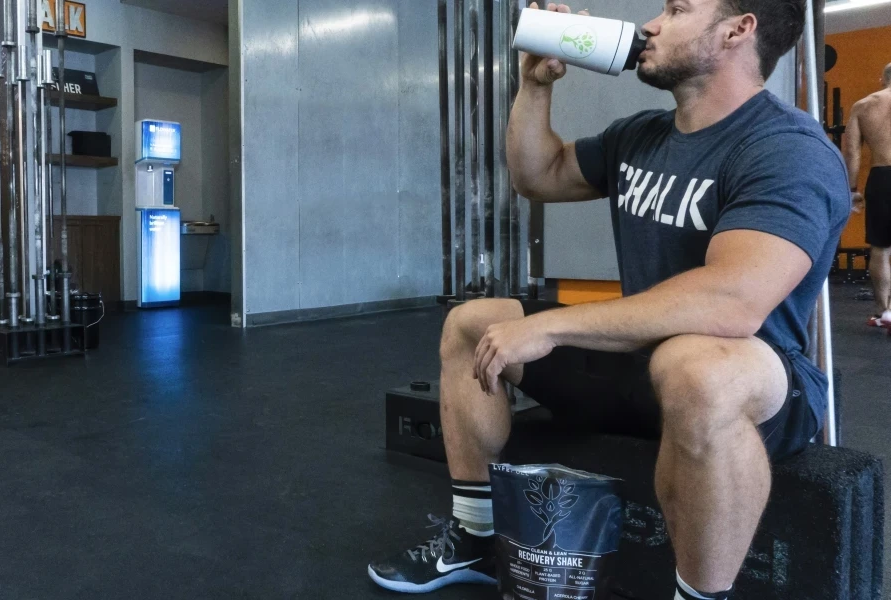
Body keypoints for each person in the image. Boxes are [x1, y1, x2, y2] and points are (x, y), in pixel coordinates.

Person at [368, 1, 850, 598]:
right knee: (473, 322)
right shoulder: (641, 136)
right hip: (644, 363)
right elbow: (536, 175)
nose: (651, 24)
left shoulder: (786, 149)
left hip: (754, 378)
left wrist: (556, 328)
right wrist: (534, 86)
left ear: (737, 30)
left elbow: (734, 301)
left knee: (697, 369)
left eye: (677, 9)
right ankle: (473, 538)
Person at [843, 63, 891, 328]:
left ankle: (885, 312)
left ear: (882, 79)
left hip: (883, 177)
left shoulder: (864, 105)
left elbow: (853, 153)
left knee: (881, 249)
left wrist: (852, 190)